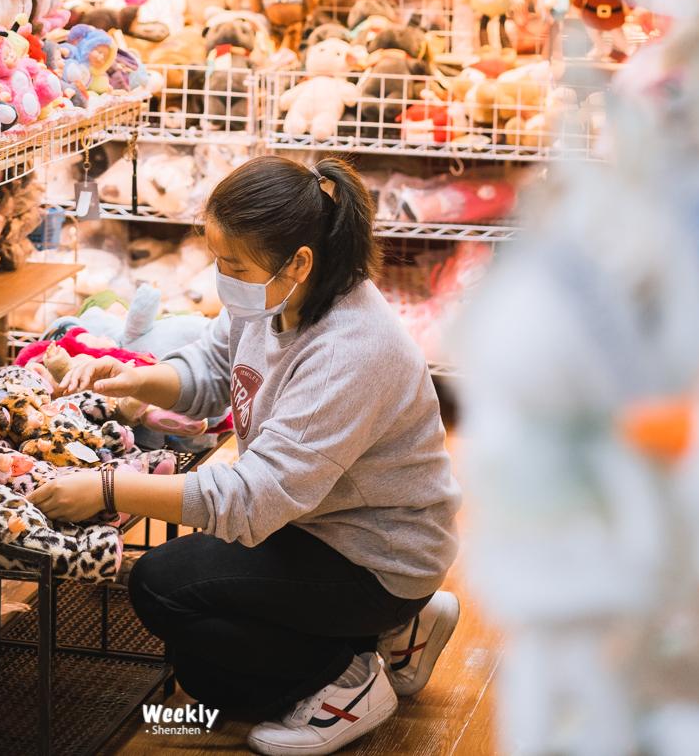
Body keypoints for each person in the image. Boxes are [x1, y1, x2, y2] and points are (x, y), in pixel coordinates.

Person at [31, 155, 461, 755]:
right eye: (218, 261)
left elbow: (251, 499)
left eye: (232, 265)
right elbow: (214, 370)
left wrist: (105, 488)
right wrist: (131, 377)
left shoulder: (351, 351)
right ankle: (393, 635)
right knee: (186, 628)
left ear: (300, 262)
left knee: (177, 620)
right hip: (316, 524)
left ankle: (347, 682)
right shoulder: (273, 297)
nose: (222, 278)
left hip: (374, 554)